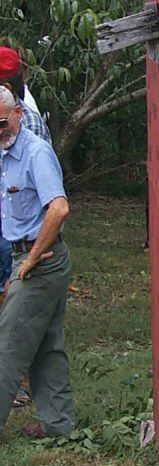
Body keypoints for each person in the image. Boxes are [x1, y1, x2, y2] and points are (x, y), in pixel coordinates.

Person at [0, 88, 73, 439]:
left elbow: (59, 209)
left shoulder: (35, 152)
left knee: (8, 344)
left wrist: (29, 259)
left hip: (41, 259)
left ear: (17, 113)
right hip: (25, 255)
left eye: (2, 121)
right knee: (46, 345)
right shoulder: (5, 152)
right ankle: (58, 425)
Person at [0, 45, 51, 410]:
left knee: (13, 311)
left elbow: (52, 201)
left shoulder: (26, 123)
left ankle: (13, 386)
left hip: (18, 232)